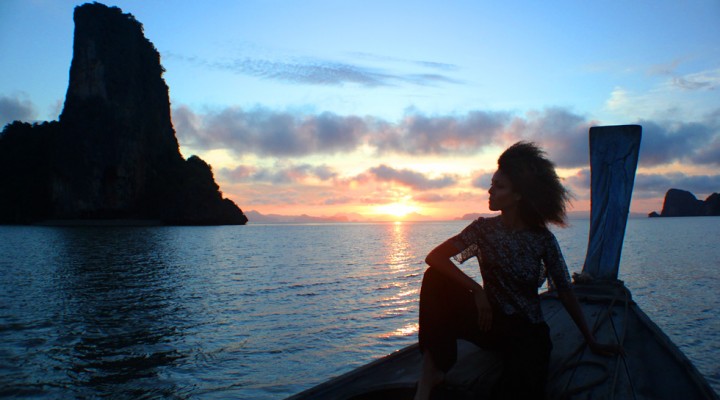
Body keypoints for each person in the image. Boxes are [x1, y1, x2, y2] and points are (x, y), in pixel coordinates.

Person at [414, 142, 622, 400]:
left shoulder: (541, 239)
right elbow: (434, 257)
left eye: (499, 186)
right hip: (490, 323)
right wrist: (477, 290)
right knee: (435, 278)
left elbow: (565, 292)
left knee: (515, 390)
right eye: (492, 183)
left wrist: (590, 340)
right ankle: (434, 369)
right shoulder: (483, 229)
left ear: (518, 195)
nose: (490, 191)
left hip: (527, 332)